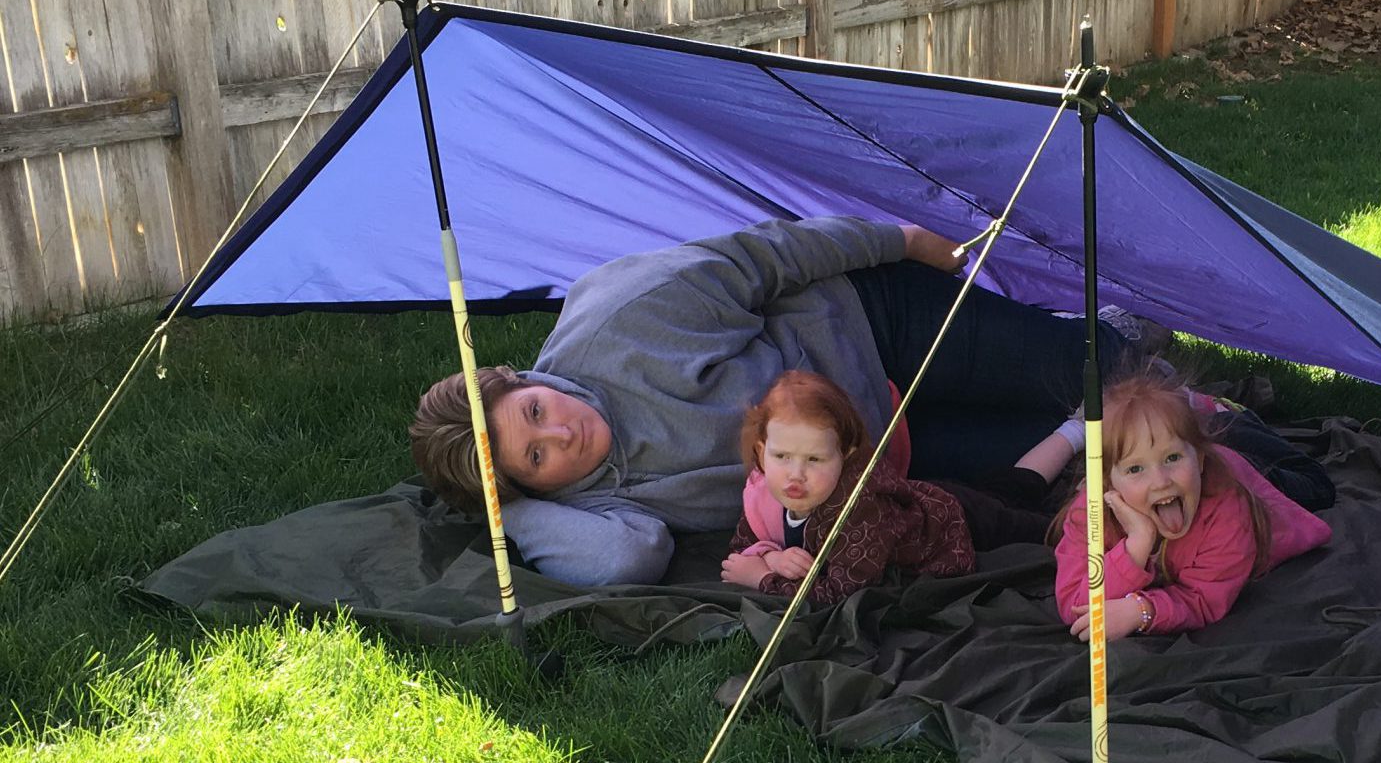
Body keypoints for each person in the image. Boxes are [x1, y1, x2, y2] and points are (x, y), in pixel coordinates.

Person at [409, 216, 1146, 587]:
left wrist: (902, 239)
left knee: (1092, 370)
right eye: (535, 458)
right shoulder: (597, 507)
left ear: (528, 379)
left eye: (535, 411)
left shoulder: (623, 315)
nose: (563, 434)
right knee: (1078, 457)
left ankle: (1100, 332)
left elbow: (769, 253)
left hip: (872, 329)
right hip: (881, 460)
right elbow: (629, 556)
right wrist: (517, 511)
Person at [1053, 372, 1333, 641]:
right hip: (1202, 450)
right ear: (1106, 481)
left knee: (1319, 488)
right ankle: (1202, 427)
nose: (1160, 481)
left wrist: (1143, 610)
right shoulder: (1090, 512)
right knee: (1196, 437)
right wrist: (1136, 545)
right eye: (1135, 468)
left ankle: (1229, 414)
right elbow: (1076, 605)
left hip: (1243, 468)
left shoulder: (1229, 511)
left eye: (1172, 458)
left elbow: (1205, 598)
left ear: (1199, 459)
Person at [720, 371, 978, 604]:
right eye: (782, 456)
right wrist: (772, 558)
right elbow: (741, 553)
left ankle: (1019, 474)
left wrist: (764, 579)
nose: (795, 475)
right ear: (762, 451)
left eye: (814, 459)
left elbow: (842, 595)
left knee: (1009, 512)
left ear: (845, 456)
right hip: (926, 497)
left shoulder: (860, 510)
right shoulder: (764, 488)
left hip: (946, 529)